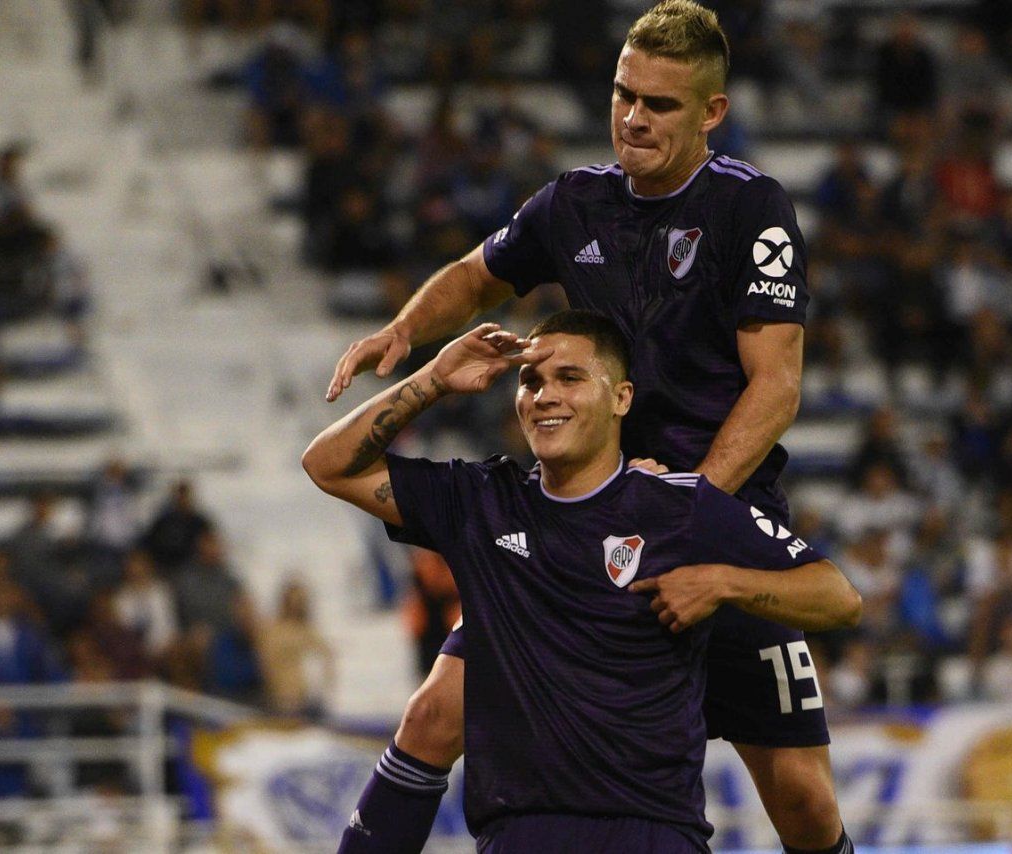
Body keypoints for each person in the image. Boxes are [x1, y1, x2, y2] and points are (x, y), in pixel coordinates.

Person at [323, 3, 855, 853]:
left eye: (660, 104)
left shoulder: (750, 209)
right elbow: (475, 276)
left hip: (716, 524)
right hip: (577, 526)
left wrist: (687, 511)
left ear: (712, 112)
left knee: (802, 801)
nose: (633, 118)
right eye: (623, 94)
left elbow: (776, 386)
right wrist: (405, 331)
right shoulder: (574, 203)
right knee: (432, 716)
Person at [304, 313, 861, 852]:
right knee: (428, 717)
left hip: (651, 834)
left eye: (570, 378)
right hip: (520, 836)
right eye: (531, 381)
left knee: (805, 801)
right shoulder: (482, 502)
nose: (546, 395)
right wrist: (434, 378)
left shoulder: (683, 507)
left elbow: (838, 596)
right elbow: (327, 464)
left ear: (621, 398)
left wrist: (723, 583)